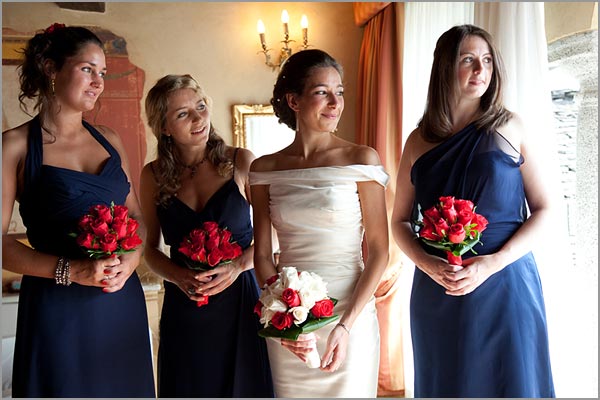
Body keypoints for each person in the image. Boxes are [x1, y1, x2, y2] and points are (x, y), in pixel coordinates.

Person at [391, 24, 555, 397]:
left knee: (512, 381)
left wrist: (492, 264)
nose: (480, 71)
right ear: (445, 68)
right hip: (440, 288)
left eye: (486, 61)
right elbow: (399, 220)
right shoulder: (418, 141)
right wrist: (430, 266)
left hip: (506, 282)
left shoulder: (510, 127)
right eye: (468, 60)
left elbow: (545, 210)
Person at [1, 24, 155, 397]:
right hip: (58, 307)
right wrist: (72, 270)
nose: (99, 82)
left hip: (121, 301)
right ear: (52, 68)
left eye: (102, 73)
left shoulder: (111, 139)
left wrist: (132, 261)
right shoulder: (15, 146)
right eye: (88, 69)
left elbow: (136, 218)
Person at [250, 49, 390, 398]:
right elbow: (263, 255)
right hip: (290, 320)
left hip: (350, 314)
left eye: (339, 91)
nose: (335, 102)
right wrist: (282, 313)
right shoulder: (265, 169)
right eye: (322, 92)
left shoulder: (361, 159)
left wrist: (346, 325)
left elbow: (379, 251)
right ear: (294, 100)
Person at [139, 74, 274, 398]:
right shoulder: (152, 175)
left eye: (200, 106)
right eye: (183, 113)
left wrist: (237, 266)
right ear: (165, 127)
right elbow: (150, 249)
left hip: (240, 301)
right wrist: (180, 277)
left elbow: (274, 236)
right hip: (185, 307)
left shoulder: (241, 161)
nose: (199, 118)